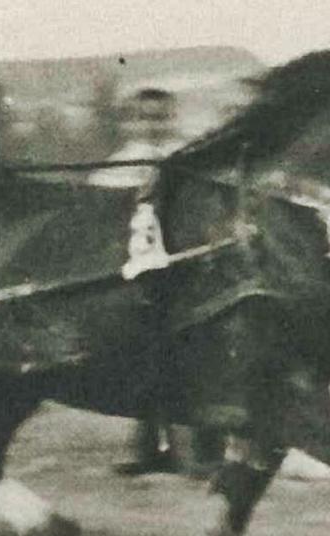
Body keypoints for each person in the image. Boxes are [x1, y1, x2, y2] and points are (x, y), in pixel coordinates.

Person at [86, 87, 225, 477]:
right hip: (135, 277)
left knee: (193, 357)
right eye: (145, 117)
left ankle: (197, 451)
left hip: (185, 274)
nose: (153, 124)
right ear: (131, 120)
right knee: (143, 360)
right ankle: (145, 447)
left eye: (160, 116)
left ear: (172, 117)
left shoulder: (187, 156)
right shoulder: (120, 164)